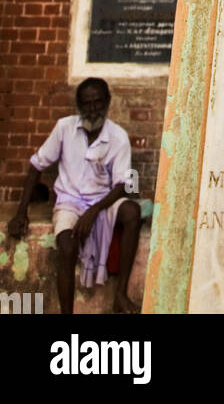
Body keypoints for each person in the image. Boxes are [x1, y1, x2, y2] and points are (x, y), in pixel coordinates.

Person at [6, 78, 142, 314]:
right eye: (86, 104)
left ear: (107, 102)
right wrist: (21, 213)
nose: (92, 109)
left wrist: (94, 211)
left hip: (101, 202)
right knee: (67, 246)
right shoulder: (64, 128)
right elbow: (37, 165)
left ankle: (120, 295)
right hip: (69, 202)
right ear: (79, 106)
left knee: (132, 211)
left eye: (98, 102)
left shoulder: (118, 137)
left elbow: (123, 185)